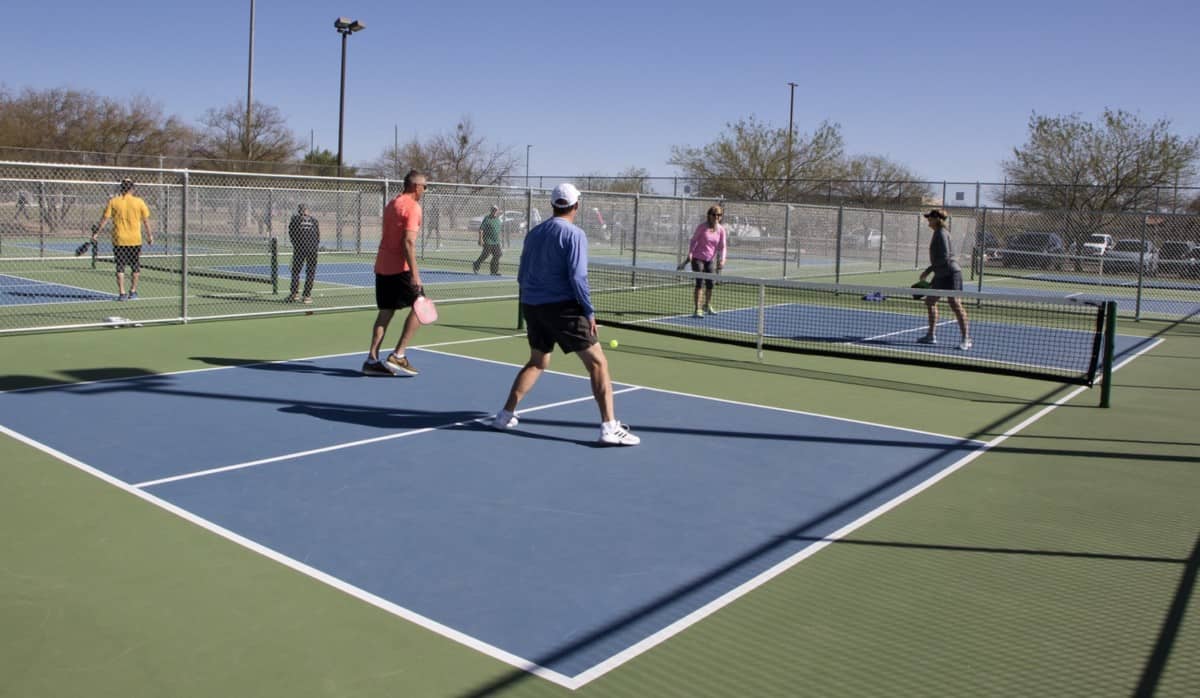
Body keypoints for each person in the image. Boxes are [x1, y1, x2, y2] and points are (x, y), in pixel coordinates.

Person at [491, 183, 640, 446]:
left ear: (553, 205)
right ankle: (609, 427)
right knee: (598, 363)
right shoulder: (575, 234)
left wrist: (532, 302)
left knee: (538, 361)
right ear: (576, 206)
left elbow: (521, 274)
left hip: (532, 306)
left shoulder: (535, 233)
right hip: (563, 308)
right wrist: (589, 311)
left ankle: (505, 415)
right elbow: (578, 276)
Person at [362, 170, 429, 376]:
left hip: (382, 266)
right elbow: (408, 242)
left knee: (385, 312)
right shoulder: (413, 207)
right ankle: (398, 355)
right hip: (401, 268)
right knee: (421, 306)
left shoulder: (392, 204)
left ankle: (371, 360)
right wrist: (415, 275)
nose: (425, 190)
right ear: (416, 186)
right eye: (424, 186)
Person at [917, 208, 971, 350]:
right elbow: (940, 260)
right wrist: (934, 274)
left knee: (955, 304)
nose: (928, 220)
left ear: (937, 219)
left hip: (951, 273)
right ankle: (931, 335)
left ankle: (966, 339)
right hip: (941, 273)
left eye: (930, 218)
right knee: (930, 301)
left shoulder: (941, 234)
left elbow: (945, 258)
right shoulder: (937, 233)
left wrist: (928, 271)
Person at [92, 178, 153, 301]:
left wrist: (96, 233)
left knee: (120, 267)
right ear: (132, 189)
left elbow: (105, 219)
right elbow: (146, 221)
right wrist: (149, 236)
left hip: (119, 239)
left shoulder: (114, 202)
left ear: (121, 188)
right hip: (135, 240)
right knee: (135, 266)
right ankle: (133, 291)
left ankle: (122, 293)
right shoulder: (139, 202)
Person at [685, 205, 728, 317]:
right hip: (698, 258)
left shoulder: (721, 230)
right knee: (699, 283)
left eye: (719, 215)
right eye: (714, 214)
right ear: (709, 215)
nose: (716, 217)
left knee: (710, 284)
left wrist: (722, 260)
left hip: (710, 260)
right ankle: (697, 309)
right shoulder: (702, 227)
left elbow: (723, 247)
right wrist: (690, 253)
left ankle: (707, 305)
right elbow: (693, 240)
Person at [286, 204, 320, 303]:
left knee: (296, 271)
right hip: (313, 250)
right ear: (307, 210)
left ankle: (294, 294)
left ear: (299, 210)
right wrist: (314, 247)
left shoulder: (295, 219)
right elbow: (318, 237)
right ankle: (307, 296)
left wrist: (296, 245)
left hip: (300, 249)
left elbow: (291, 234)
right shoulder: (314, 221)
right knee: (310, 272)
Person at [473, 205, 504, 275]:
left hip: (496, 241)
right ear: (491, 211)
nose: (494, 211)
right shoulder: (487, 218)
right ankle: (476, 264)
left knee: (498, 255)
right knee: (485, 255)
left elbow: (498, 231)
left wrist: (499, 241)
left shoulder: (498, 220)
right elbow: (481, 229)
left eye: (496, 210)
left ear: (498, 211)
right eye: (493, 210)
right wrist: (480, 239)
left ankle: (494, 271)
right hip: (488, 241)